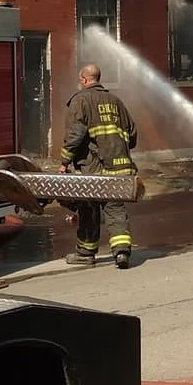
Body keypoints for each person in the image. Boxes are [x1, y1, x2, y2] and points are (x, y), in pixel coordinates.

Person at [59, 63, 137, 269]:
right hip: (120, 166)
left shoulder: (81, 100)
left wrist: (64, 161)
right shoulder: (116, 101)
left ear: (84, 80)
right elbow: (132, 134)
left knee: (89, 208)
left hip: (94, 167)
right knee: (115, 208)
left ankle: (86, 252)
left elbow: (75, 135)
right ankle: (121, 253)